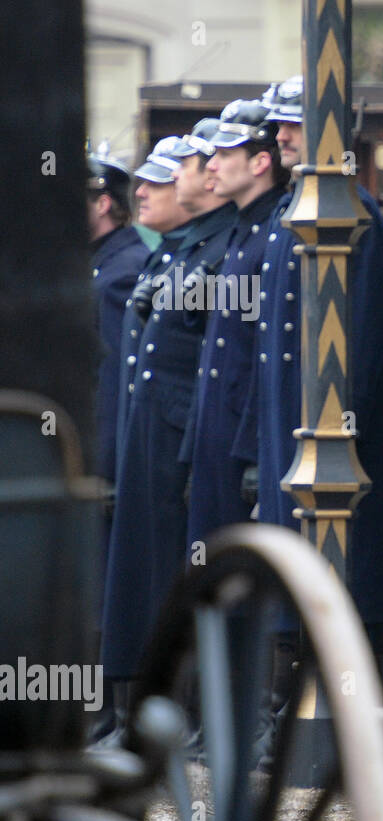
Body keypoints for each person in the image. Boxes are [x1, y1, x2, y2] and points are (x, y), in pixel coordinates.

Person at [244, 75, 383, 709]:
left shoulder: (354, 211)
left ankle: (350, 721)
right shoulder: (287, 210)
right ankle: (283, 714)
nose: (281, 134)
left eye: (294, 123)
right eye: (280, 124)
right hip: (289, 434)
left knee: (352, 593)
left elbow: (369, 341)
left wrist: (336, 434)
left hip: (339, 440)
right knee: (290, 591)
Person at [99, 122, 236, 730]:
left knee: (176, 579)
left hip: (187, 439)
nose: (152, 190)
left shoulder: (221, 247)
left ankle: (183, 713)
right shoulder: (179, 253)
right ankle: (143, 711)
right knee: (144, 579)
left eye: (167, 175)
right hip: (154, 438)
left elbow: (219, 357)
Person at [182, 98, 287, 552]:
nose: (213, 166)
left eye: (225, 155)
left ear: (261, 161)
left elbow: (263, 354)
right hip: (218, 436)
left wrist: (254, 453)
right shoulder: (243, 234)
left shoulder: (274, 234)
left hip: (242, 443)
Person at [87, 146, 149, 492]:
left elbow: (114, 374)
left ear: (103, 203)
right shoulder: (102, 261)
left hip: (104, 460)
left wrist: (107, 470)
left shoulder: (122, 271)